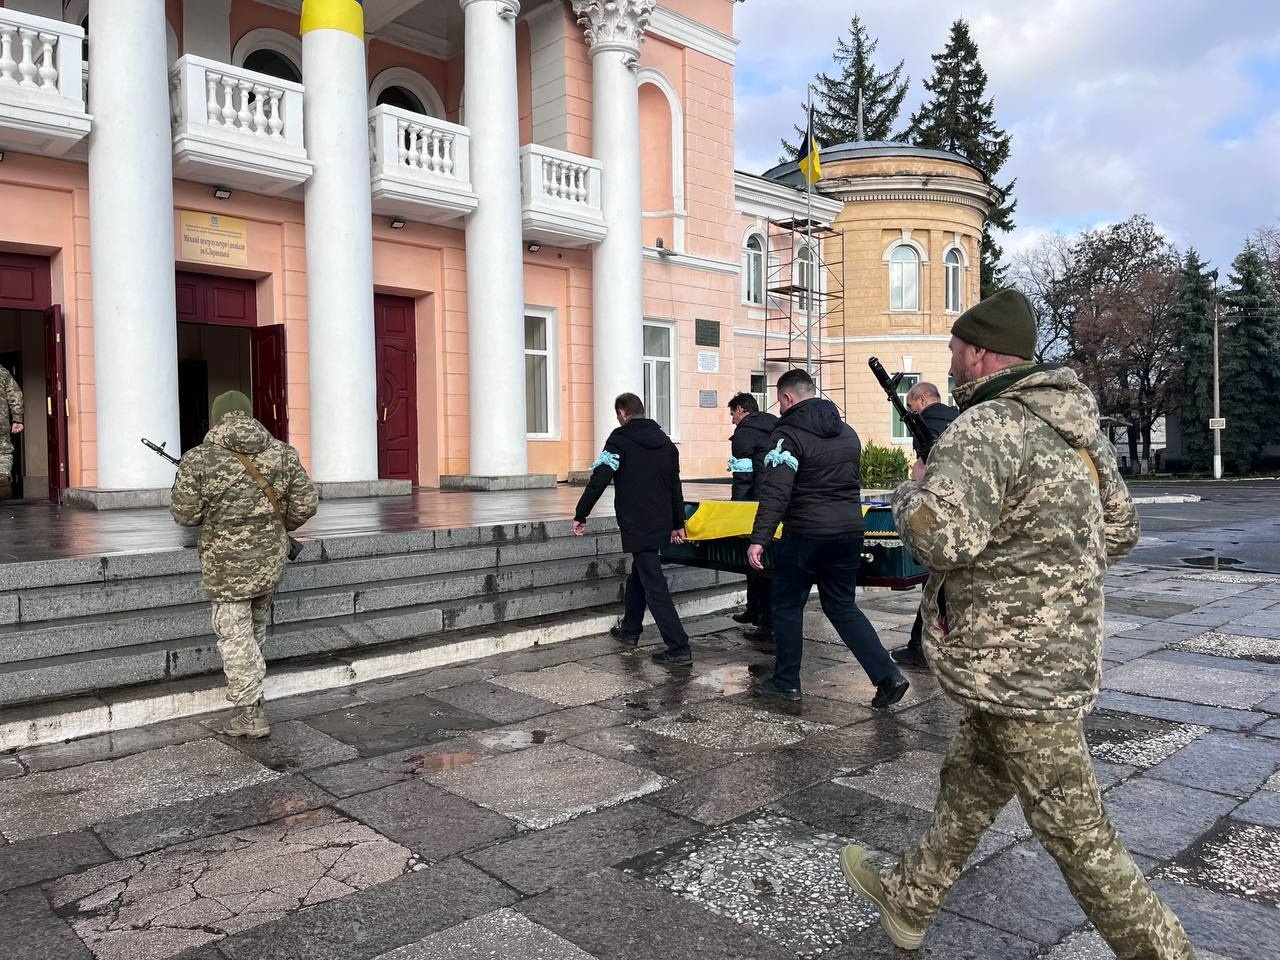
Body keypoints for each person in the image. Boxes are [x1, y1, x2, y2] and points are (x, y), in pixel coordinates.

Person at [839, 290, 1195, 958]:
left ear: (979, 352)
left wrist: (911, 490)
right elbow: (1118, 531)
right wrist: (1045, 568)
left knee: (1077, 833)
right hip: (1059, 653)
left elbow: (941, 541)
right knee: (970, 782)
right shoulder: (1077, 427)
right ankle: (910, 899)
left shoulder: (985, 427)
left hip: (1013, 669)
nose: (950, 362)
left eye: (953, 350)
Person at [746, 369, 908, 708]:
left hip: (806, 532)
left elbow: (776, 490)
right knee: (842, 606)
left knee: (788, 605)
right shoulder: (846, 431)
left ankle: (786, 681)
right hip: (849, 530)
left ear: (787, 398)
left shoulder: (788, 435)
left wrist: (759, 537)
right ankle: (888, 675)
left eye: (779, 401)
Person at [171, 390, 318, 739]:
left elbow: (184, 514)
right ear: (249, 415)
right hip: (269, 560)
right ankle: (253, 690)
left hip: (226, 566)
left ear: (218, 417)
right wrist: (280, 527)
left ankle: (250, 712)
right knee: (253, 629)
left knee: (234, 636)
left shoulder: (199, 458)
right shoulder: (283, 452)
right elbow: (306, 503)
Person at [572, 392, 692, 665]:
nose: (618, 418)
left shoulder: (620, 440)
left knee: (654, 585)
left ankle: (679, 647)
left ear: (623, 412)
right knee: (639, 575)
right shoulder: (665, 443)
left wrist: (581, 514)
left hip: (636, 522)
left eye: (618, 414)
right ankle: (630, 630)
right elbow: (675, 485)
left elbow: (599, 479)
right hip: (660, 521)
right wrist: (677, 523)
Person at [890, 381, 958, 670]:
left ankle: (921, 647)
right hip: (962, 509)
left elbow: (922, 474)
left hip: (934, 510)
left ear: (921, 400)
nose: (910, 412)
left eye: (911, 405)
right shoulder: (960, 418)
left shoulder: (927, 423)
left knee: (935, 582)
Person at [725, 391, 779, 640]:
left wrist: (737, 509)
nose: (732, 420)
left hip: (755, 505)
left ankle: (765, 621)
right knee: (766, 561)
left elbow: (743, 476)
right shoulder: (776, 425)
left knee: (758, 561)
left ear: (741, 409)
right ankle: (755, 609)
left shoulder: (744, 434)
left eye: (732, 414)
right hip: (778, 501)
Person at [0, 362, 24, 501]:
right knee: (3, 450)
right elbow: (16, 395)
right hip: (1, 422)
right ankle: (2, 477)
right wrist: (17, 419)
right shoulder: (3, 372)